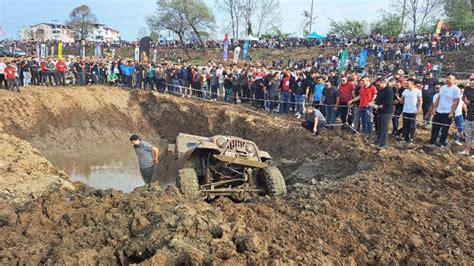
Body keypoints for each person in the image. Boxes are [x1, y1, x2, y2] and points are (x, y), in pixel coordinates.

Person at [430, 73, 461, 148]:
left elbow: (456, 101)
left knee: (444, 129)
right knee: (435, 127)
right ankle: (433, 142)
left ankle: (442, 143)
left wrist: (452, 112)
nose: (447, 79)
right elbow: (438, 98)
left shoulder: (456, 89)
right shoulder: (443, 87)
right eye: (447, 78)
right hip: (439, 111)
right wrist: (434, 108)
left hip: (447, 112)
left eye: (449, 78)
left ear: (454, 79)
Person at [372, 78, 394, 150]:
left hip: (386, 112)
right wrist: (373, 103)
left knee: (384, 128)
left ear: (383, 83)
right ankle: (378, 141)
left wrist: (378, 106)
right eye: (376, 85)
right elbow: (377, 99)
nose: (377, 86)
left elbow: (388, 102)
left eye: (378, 85)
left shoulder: (389, 90)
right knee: (379, 127)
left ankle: (383, 144)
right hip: (379, 111)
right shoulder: (380, 90)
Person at [400, 78, 423, 144]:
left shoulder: (418, 91)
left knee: (412, 126)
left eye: (408, 83)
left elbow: (420, 101)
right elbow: (401, 100)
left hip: (413, 111)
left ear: (412, 84)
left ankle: (411, 138)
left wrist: (419, 109)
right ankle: (405, 138)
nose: (406, 84)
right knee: (405, 125)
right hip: (405, 110)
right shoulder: (405, 91)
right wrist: (399, 100)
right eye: (406, 83)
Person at [459, 76, 474, 157]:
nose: (471, 82)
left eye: (473, 80)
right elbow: (465, 100)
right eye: (471, 80)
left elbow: (468, 101)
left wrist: (468, 101)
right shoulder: (467, 89)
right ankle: (466, 151)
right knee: (468, 135)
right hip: (469, 116)